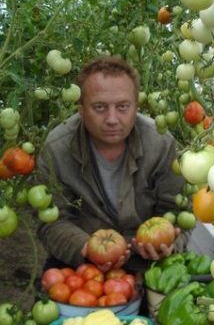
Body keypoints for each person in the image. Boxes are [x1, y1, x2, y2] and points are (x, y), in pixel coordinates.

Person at [36, 55, 189, 276]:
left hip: (148, 265)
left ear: (136, 106)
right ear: (81, 108)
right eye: (99, 107)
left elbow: (178, 211)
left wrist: (170, 244)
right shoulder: (56, 150)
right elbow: (52, 221)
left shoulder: (162, 145)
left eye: (122, 107)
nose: (112, 119)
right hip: (80, 266)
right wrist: (86, 248)